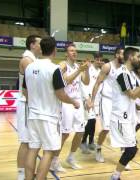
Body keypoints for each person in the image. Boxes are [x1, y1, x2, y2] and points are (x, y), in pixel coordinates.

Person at [23, 37, 80, 180]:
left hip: (33, 115)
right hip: (49, 117)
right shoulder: (55, 69)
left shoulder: (30, 67)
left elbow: (25, 91)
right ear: (55, 50)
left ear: (41, 49)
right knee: (48, 151)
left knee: (32, 149)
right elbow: (60, 94)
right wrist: (73, 102)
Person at [110, 47, 140, 180]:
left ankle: (116, 176)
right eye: (138, 57)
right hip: (121, 118)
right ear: (131, 57)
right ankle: (115, 176)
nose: (139, 59)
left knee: (132, 150)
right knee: (131, 150)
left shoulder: (130, 74)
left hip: (129, 117)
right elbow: (132, 95)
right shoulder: (122, 74)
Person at [50, 43, 90, 171]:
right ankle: (54, 161)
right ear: (66, 53)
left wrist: (86, 69)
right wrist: (80, 70)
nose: (74, 53)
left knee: (80, 131)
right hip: (66, 101)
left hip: (78, 102)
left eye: (75, 51)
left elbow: (86, 81)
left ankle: (71, 157)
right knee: (65, 133)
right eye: (71, 51)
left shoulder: (78, 66)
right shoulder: (63, 65)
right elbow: (64, 81)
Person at [90, 47, 124, 163]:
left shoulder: (124, 69)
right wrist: (92, 100)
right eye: (122, 54)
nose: (124, 57)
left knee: (121, 128)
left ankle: (124, 157)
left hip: (119, 102)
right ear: (116, 55)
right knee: (106, 128)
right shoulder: (107, 66)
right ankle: (98, 149)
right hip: (106, 101)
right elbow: (97, 83)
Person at [16, 34, 41, 180]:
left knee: (32, 141)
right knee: (25, 141)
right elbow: (31, 86)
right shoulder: (27, 60)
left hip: (33, 104)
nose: (41, 45)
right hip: (26, 103)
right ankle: (20, 175)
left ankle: (28, 173)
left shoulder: (34, 60)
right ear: (32, 45)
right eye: (39, 43)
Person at [79, 52, 106, 153]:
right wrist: (87, 98)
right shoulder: (89, 69)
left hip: (97, 99)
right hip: (88, 99)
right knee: (89, 121)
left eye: (101, 59)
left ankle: (90, 142)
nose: (99, 61)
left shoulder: (101, 71)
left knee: (93, 121)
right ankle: (82, 142)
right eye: (97, 59)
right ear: (94, 59)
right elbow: (84, 84)